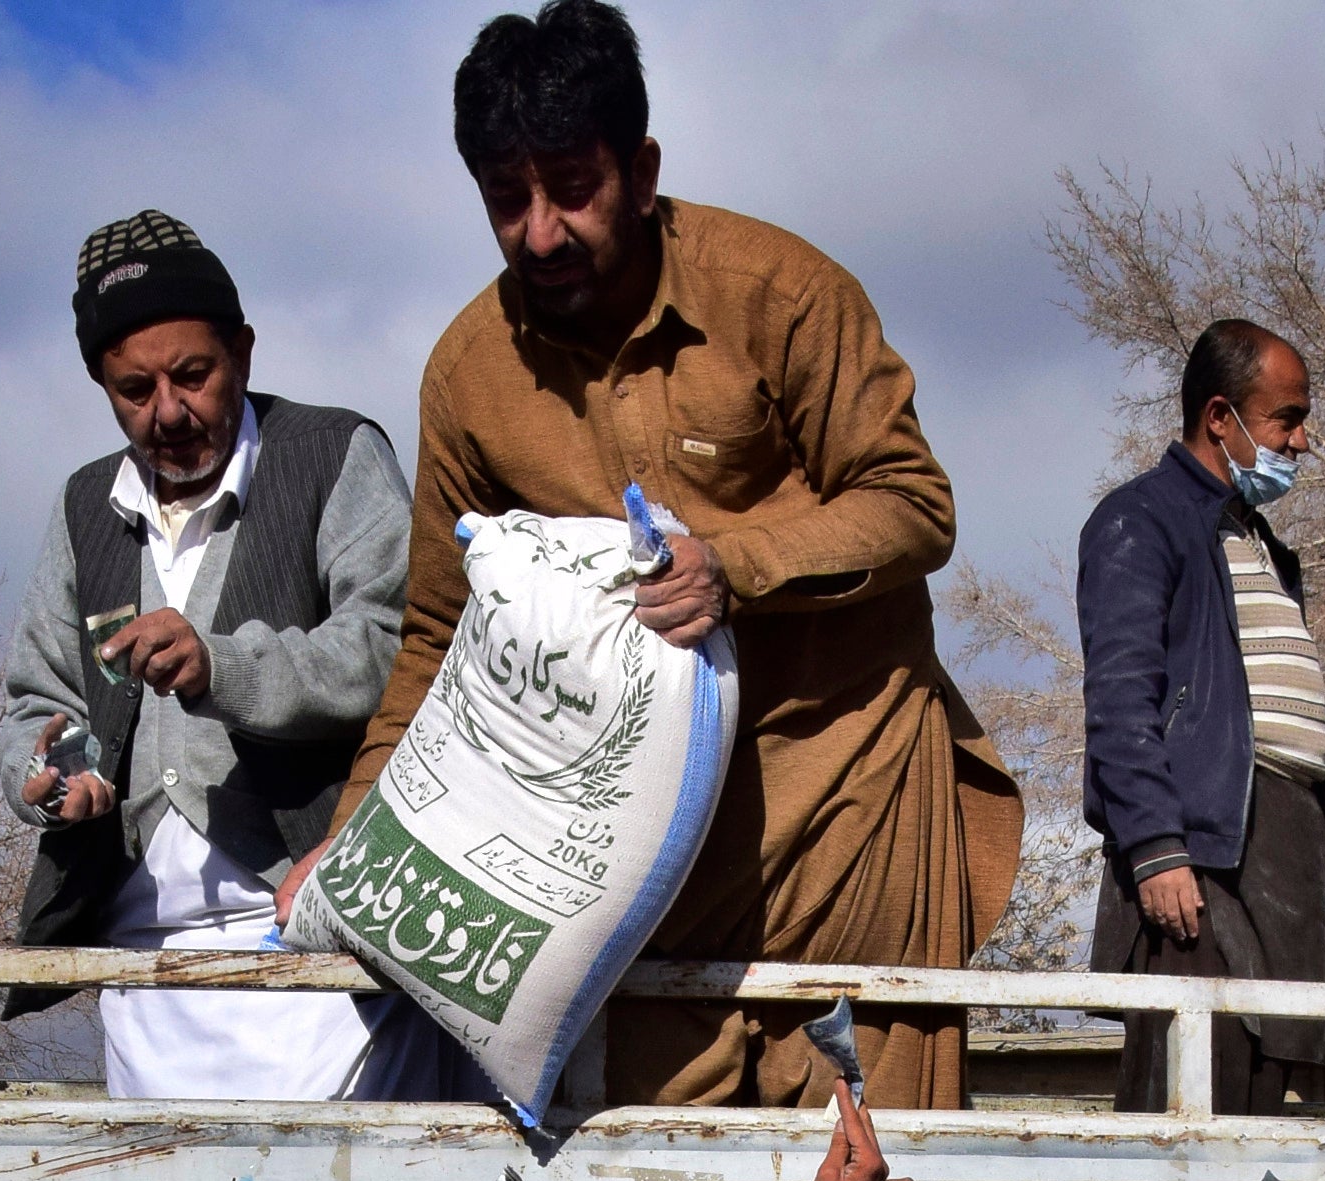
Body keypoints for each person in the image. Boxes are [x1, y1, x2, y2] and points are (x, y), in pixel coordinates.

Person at [346, 0, 1020, 1112]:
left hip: (851, 786)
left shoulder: (783, 294)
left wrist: (735, 567)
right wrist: (354, 834)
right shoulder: (465, 375)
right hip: (639, 860)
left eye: (571, 186)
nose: (540, 230)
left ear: (642, 168)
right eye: (505, 199)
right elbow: (435, 634)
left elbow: (913, 504)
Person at [0, 211, 413, 1101]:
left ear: (245, 352)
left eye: (194, 375)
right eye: (134, 389)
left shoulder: (333, 455)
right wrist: (41, 775)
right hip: (145, 974)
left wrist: (225, 666)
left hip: (317, 953)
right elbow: (35, 701)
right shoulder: (84, 507)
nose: (170, 412)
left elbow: (394, 648)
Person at [1077, 318, 1325, 1117]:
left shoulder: (1260, 544)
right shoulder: (1142, 520)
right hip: (1200, 871)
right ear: (1220, 417)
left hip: (1277, 860)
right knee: (1191, 1115)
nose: (1301, 440)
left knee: (1269, 1126)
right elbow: (1121, 700)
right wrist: (1158, 850)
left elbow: (1279, 726)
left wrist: (1317, 883)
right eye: (1285, 418)